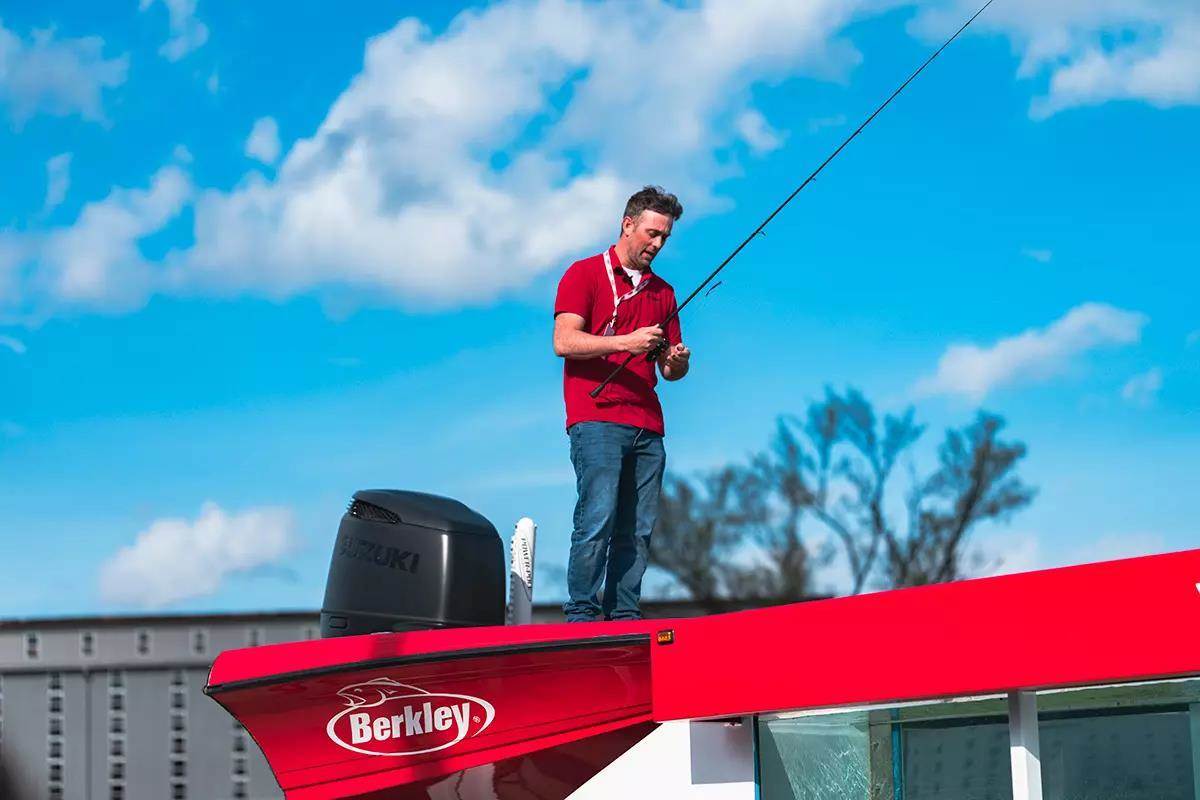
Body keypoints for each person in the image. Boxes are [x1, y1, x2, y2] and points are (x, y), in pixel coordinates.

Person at [552, 186, 691, 622]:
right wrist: (626, 342)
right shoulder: (584, 273)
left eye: (665, 237)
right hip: (595, 418)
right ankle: (581, 612)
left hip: (648, 423)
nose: (658, 244)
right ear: (627, 225)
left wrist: (676, 361)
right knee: (597, 517)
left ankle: (625, 613)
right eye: (652, 233)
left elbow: (670, 371)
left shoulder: (663, 292)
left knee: (639, 527)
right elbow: (564, 341)